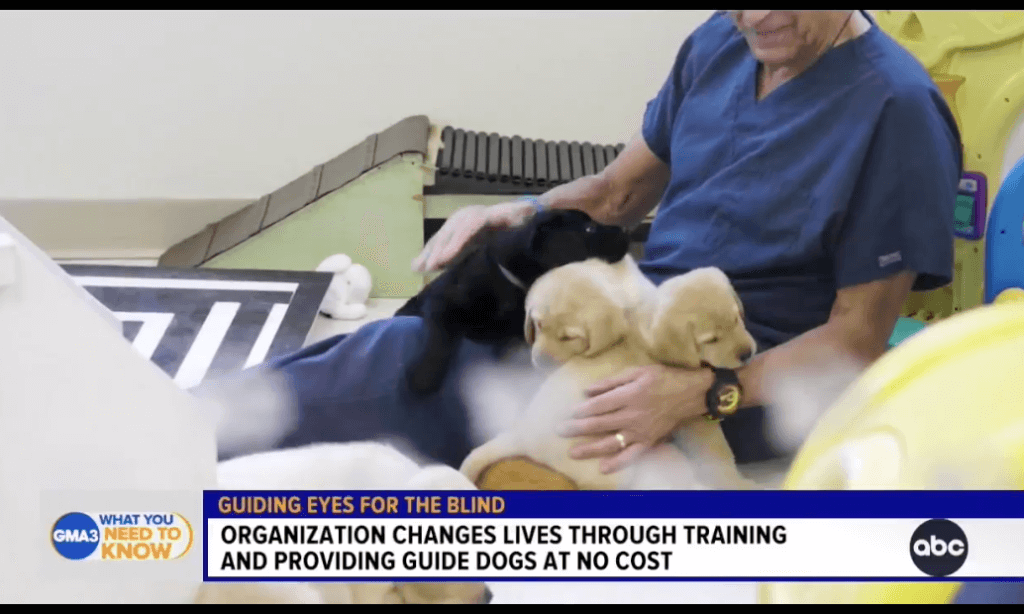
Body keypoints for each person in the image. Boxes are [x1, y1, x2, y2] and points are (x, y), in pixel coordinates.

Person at [254, 10, 961, 473]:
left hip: (747, 380)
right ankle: (202, 432)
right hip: (639, 318)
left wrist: (701, 394)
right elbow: (618, 194)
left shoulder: (897, 109)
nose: (762, 17)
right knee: (428, 329)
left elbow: (857, 340)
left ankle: (201, 458)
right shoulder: (720, 42)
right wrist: (521, 210)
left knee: (427, 377)